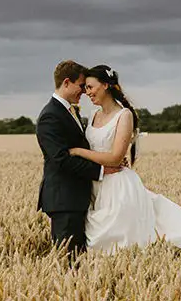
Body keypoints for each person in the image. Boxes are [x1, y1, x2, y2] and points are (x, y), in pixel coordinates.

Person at [68, 64, 181, 253]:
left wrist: (78, 152)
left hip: (116, 186)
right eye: (85, 88)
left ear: (105, 85)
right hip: (95, 183)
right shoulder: (94, 115)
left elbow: (115, 157)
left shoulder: (124, 115)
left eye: (90, 87)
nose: (87, 92)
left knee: (117, 242)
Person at [35, 60, 123, 258]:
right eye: (81, 86)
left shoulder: (68, 111)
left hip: (78, 197)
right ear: (67, 82)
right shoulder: (51, 115)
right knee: (68, 259)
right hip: (65, 199)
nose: (84, 92)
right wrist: (101, 170)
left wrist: (108, 158)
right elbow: (61, 159)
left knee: (78, 257)